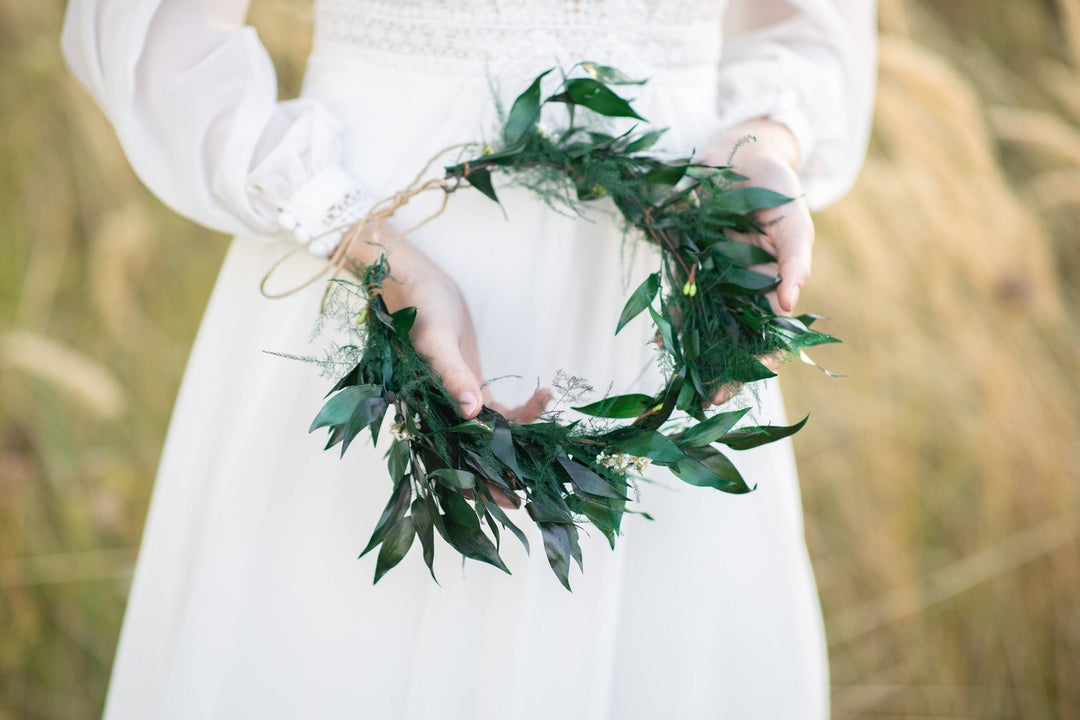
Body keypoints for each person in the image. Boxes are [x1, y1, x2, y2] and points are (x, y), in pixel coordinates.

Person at [62, 1, 876, 718]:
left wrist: (759, 145)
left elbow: (805, 29)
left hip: (663, 283)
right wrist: (354, 231)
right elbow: (146, 29)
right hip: (380, 231)